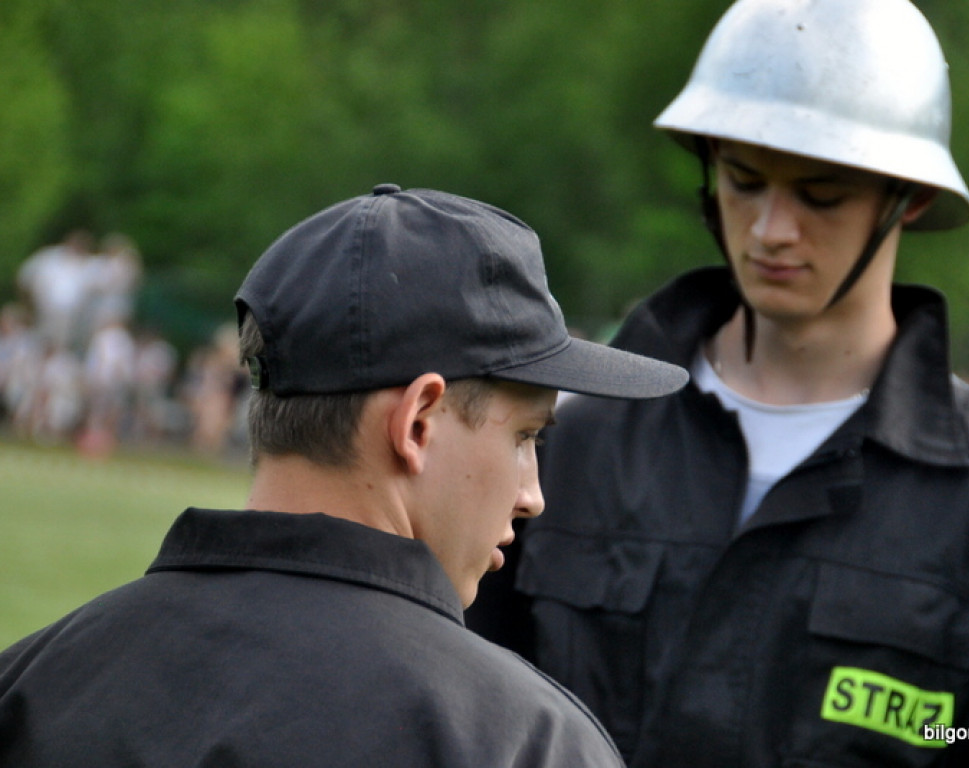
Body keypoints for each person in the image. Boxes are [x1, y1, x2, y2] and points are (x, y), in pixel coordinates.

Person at [465, 1, 969, 766]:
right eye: (744, 179)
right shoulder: (570, 442)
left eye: (820, 193)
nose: (771, 229)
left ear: (910, 198)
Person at [0, 184, 687, 766]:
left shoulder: (33, 684)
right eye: (527, 436)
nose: (533, 495)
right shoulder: (522, 741)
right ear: (418, 421)